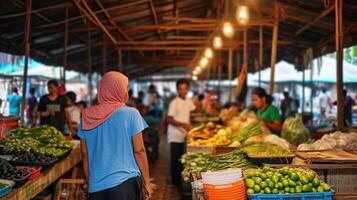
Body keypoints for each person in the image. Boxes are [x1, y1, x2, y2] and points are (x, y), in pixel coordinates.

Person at [78, 71, 153, 200]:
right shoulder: (131, 114)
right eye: (126, 87)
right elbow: (139, 151)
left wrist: (90, 182)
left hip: (96, 187)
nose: (127, 91)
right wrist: (147, 182)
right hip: (125, 184)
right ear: (119, 89)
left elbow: (85, 154)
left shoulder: (86, 115)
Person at [166, 79, 195, 194]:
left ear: (188, 89)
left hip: (185, 134)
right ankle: (175, 184)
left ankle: (179, 182)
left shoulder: (188, 100)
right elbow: (169, 119)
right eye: (181, 88)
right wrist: (184, 124)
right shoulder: (174, 102)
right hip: (175, 135)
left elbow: (193, 109)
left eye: (185, 88)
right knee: (176, 159)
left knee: (181, 159)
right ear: (177, 89)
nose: (183, 91)